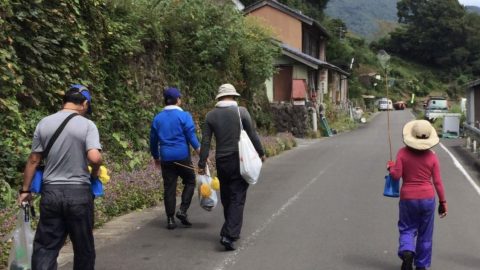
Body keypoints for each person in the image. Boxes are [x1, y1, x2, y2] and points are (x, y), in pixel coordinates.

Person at [17, 84, 102, 270]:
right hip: (79, 194)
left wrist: (25, 190)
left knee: (46, 247)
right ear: (85, 103)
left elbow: (33, 159)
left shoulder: (44, 123)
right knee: (83, 248)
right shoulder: (87, 125)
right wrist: (95, 174)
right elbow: (94, 157)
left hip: (51, 193)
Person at [198, 83, 266, 251]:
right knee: (238, 196)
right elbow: (252, 134)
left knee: (227, 196)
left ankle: (230, 228)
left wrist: (202, 163)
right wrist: (261, 152)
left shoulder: (210, 116)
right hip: (239, 159)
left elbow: (205, 141)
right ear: (234, 96)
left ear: (219, 98)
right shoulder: (241, 112)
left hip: (222, 161)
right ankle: (229, 235)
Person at [387, 120, 447, 270]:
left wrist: (391, 167)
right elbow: (438, 182)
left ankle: (407, 251)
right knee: (425, 234)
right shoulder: (432, 157)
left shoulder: (402, 153)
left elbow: (396, 175)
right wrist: (443, 202)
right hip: (428, 198)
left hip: (408, 198)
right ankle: (422, 265)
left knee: (407, 228)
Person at [150, 87, 200, 230]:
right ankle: (182, 210)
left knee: (169, 187)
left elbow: (153, 140)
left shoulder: (158, 118)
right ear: (177, 100)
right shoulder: (184, 116)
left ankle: (170, 219)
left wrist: (156, 157)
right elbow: (191, 137)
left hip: (166, 157)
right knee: (190, 181)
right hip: (182, 156)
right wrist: (201, 153)